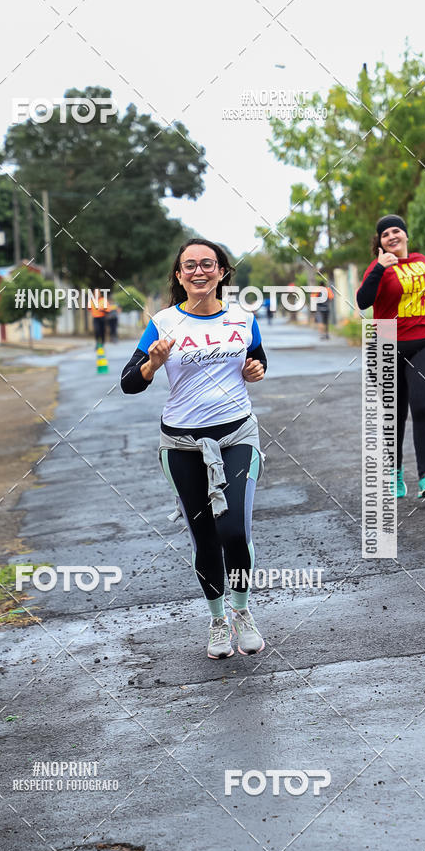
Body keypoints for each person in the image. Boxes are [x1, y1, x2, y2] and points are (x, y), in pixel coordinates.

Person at [121, 238, 268, 659]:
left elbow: (257, 361)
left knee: (234, 530)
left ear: (222, 271)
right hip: (182, 444)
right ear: (179, 275)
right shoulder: (164, 322)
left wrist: (256, 370)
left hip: (237, 436)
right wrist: (153, 361)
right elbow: (130, 382)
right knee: (204, 536)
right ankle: (218, 619)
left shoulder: (242, 318)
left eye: (208, 264)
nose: (199, 271)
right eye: (190, 266)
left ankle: (242, 611)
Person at [356, 214, 425, 499]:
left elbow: (421, 289)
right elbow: (363, 301)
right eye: (385, 233)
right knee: (395, 414)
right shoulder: (377, 268)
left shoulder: (420, 260)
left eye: (396, 230)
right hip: (387, 344)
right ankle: (395, 473)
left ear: (405, 236)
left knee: (421, 404)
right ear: (381, 242)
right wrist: (379, 268)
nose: (392, 236)